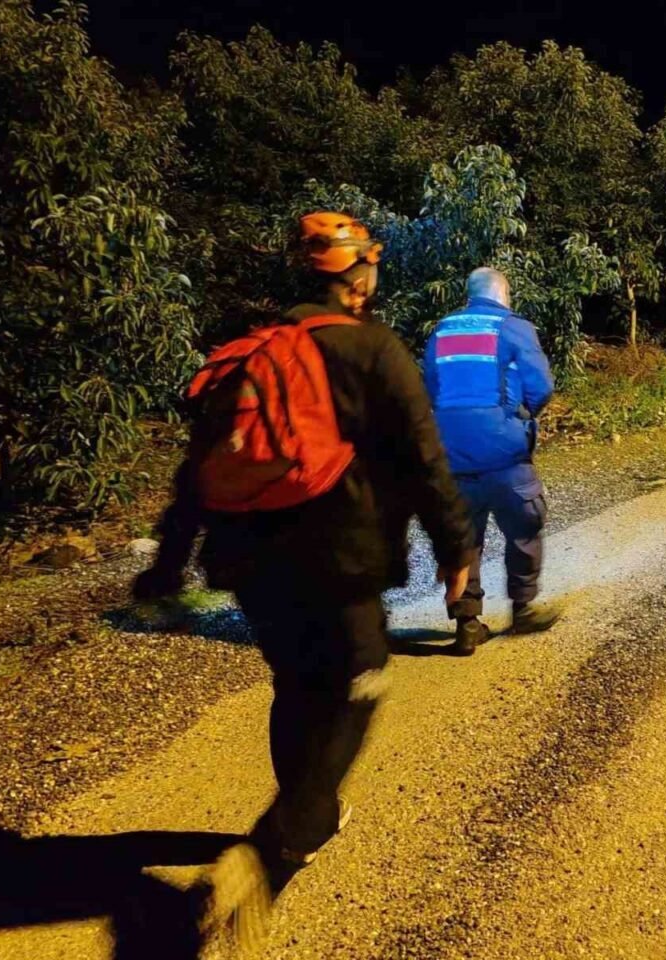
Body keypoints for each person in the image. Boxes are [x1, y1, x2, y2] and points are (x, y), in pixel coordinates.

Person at [132, 212, 474, 936]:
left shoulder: (249, 352)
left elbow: (194, 472)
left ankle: (307, 811)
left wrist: (167, 564)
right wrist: (457, 550)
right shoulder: (371, 348)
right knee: (359, 681)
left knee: (295, 682)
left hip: (248, 560)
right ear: (359, 279)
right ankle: (279, 840)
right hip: (338, 553)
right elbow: (423, 457)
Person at [423, 267, 561, 655]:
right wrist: (520, 417)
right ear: (503, 293)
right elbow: (541, 387)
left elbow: (431, 386)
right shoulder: (514, 327)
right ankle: (523, 609)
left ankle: (467, 624)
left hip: (451, 452)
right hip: (504, 451)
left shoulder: (442, 330)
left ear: (470, 294)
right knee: (524, 524)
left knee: (464, 535)